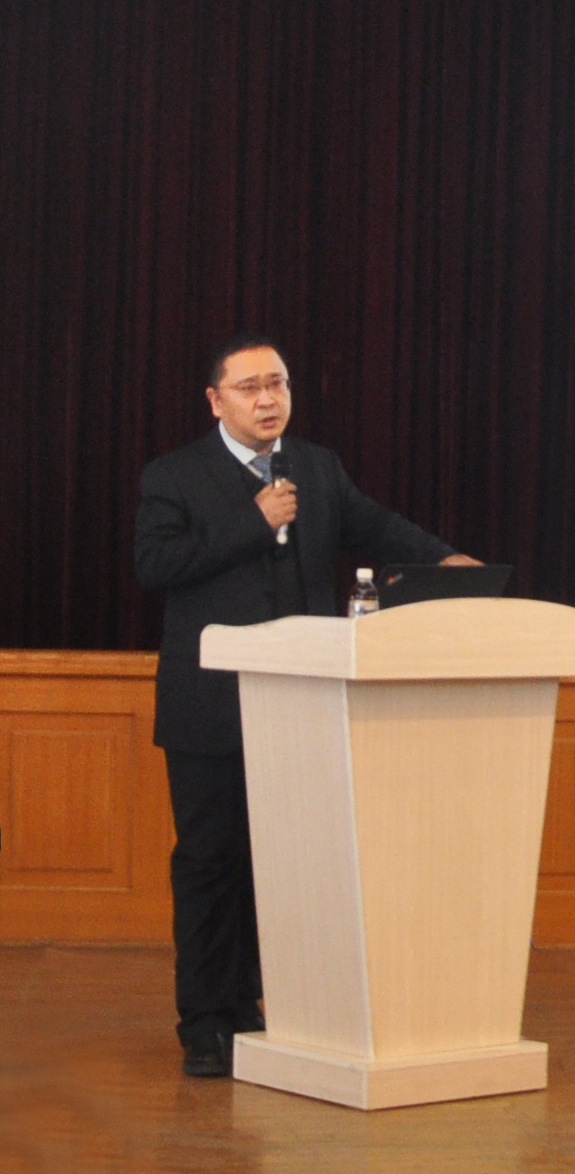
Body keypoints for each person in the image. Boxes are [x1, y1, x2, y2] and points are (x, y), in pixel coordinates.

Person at [134, 332, 481, 1077]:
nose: (268, 400)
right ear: (216, 401)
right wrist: (251, 520)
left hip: (302, 707)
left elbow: (374, 524)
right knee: (211, 862)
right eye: (250, 388)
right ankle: (205, 1021)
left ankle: (259, 1005)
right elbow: (155, 564)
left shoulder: (316, 468)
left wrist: (443, 558)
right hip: (211, 708)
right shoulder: (174, 475)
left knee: (285, 863)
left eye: (279, 384)